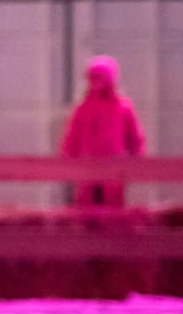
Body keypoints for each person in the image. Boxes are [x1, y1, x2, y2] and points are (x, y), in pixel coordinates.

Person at [60, 55, 146, 208]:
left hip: (113, 171)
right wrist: (66, 165)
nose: (94, 81)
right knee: (86, 213)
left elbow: (135, 138)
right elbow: (71, 138)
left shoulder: (122, 108)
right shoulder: (83, 108)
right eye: (91, 77)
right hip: (86, 170)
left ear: (109, 79)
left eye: (99, 77)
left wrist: (136, 163)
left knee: (112, 213)